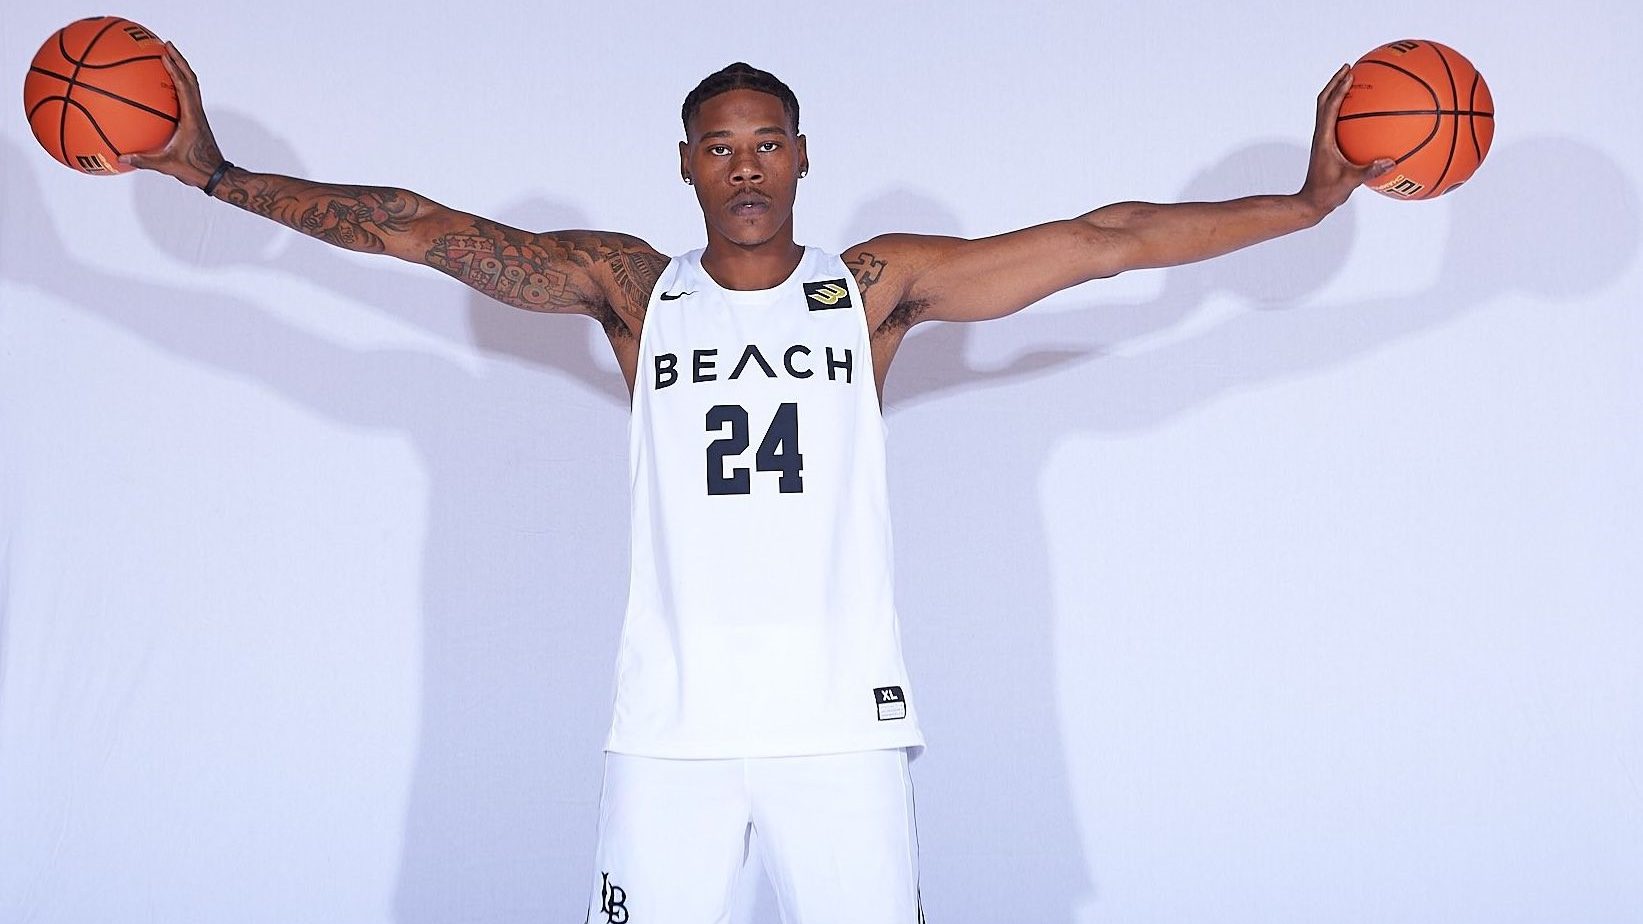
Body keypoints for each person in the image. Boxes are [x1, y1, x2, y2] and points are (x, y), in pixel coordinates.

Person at [122, 44, 1392, 924]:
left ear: (800, 159)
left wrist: (1302, 206)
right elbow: (413, 225)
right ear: (684, 164)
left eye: (766, 144)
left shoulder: (871, 288)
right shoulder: (632, 288)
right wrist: (218, 176)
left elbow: (1103, 243)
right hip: (670, 731)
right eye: (720, 148)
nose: (744, 167)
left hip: (840, 726)